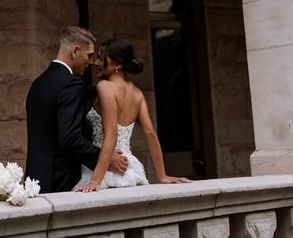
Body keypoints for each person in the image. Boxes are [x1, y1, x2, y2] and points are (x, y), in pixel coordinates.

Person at [75, 38, 191, 192]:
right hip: (130, 168)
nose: (95, 62)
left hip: (105, 168)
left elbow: (111, 135)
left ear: (117, 65)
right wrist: (162, 176)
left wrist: (95, 181)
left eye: (101, 58)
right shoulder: (137, 93)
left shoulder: (104, 87)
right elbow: (150, 133)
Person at [25, 26, 128, 194]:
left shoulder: (38, 84)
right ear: (75, 51)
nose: (91, 61)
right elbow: (70, 139)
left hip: (35, 181)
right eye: (88, 55)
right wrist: (105, 157)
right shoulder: (71, 84)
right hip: (61, 183)